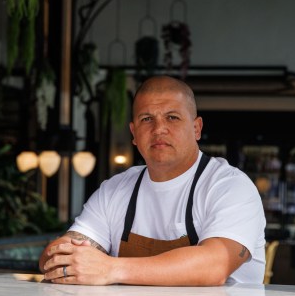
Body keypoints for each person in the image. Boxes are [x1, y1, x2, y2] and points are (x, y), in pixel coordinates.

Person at [39, 75, 266, 286]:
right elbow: (54, 257)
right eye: (147, 119)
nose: (159, 129)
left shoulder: (230, 186)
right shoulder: (115, 190)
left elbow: (214, 267)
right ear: (134, 133)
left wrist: (111, 269)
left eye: (172, 117)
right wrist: (67, 260)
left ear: (196, 128)